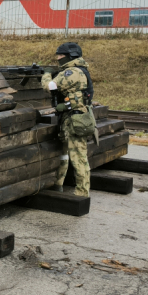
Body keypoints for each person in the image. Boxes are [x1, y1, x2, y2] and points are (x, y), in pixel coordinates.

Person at [41, 42, 95, 197]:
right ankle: (58, 185)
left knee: (78, 158)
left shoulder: (73, 72)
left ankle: (81, 194)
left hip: (75, 121)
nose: (58, 58)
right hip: (70, 119)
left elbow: (50, 86)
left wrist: (46, 74)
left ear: (70, 56)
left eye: (60, 55)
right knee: (64, 154)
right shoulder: (76, 70)